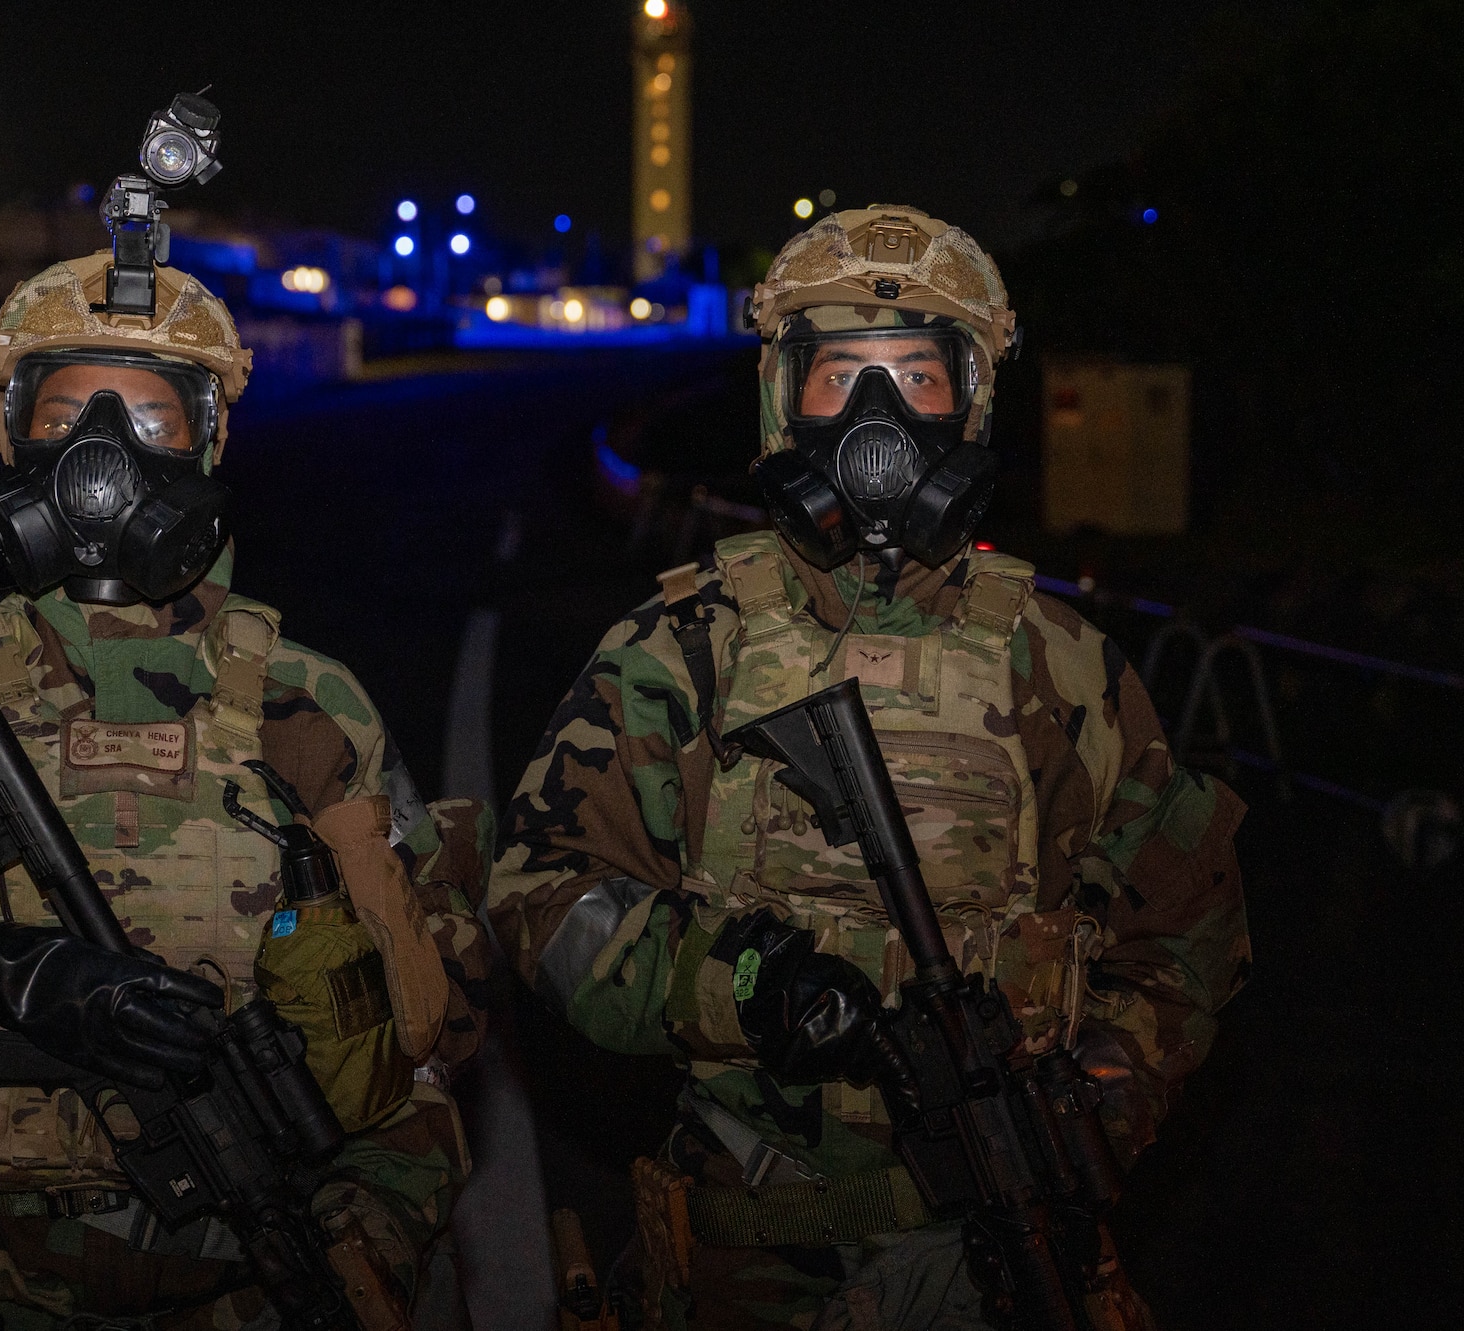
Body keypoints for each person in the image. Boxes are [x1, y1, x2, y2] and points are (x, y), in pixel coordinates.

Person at [0, 251, 493, 1330]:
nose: (102, 456)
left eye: (151, 418)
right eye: (65, 413)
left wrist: (372, 1232)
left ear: (207, 439)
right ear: (7, 432)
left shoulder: (310, 707)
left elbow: (428, 1030)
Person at [488, 206, 1249, 1329]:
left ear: (969, 402)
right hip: (747, 1259)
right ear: (782, 398)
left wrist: (1096, 1098)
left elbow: (1185, 929)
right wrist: (738, 983)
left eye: (916, 379)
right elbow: (542, 895)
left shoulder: (1059, 664)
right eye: (841, 375)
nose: (876, 420)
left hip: (1003, 1249)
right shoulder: (684, 651)